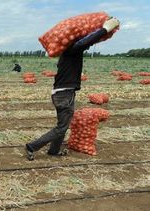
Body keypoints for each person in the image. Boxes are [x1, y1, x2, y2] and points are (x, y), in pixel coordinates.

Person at [25, 17, 120, 160]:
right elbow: (85, 42)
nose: (86, 46)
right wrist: (105, 29)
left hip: (63, 94)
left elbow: (86, 42)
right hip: (64, 95)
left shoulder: (68, 53)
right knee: (61, 128)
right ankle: (32, 146)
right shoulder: (71, 50)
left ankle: (54, 150)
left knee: (62, 125)